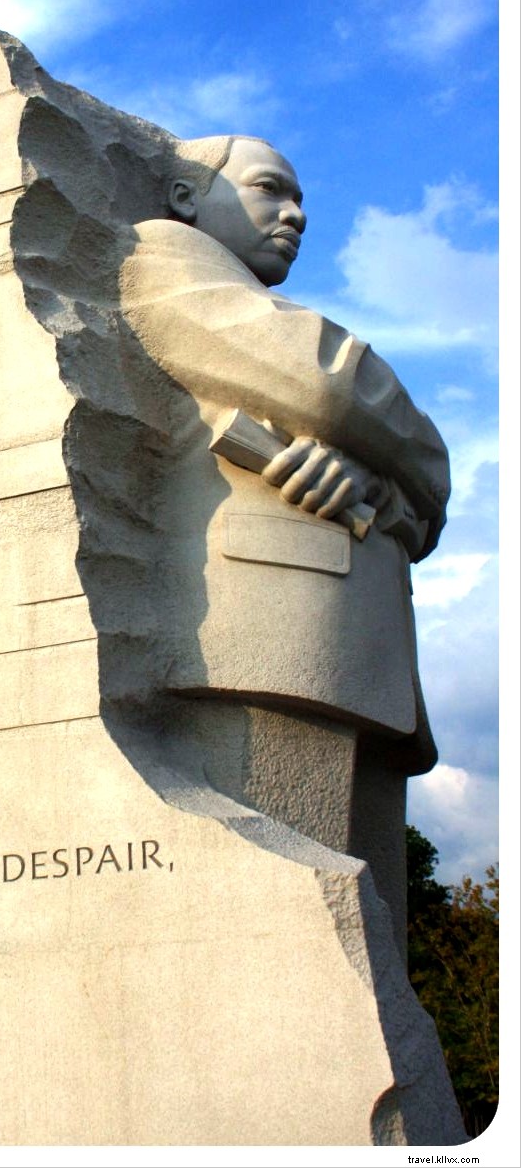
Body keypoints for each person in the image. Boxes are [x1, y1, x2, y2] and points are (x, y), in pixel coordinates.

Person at [115, 134, 450, 944]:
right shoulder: (162, 252)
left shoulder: (255, 298)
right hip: (271, 639)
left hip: (354, 649)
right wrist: (409, 449)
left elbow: (426, 507)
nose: (296, 215)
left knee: (367, 941)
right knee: (276, 934)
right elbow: (327, 381)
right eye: (270, 189)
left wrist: (372, 479)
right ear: (190, 196)